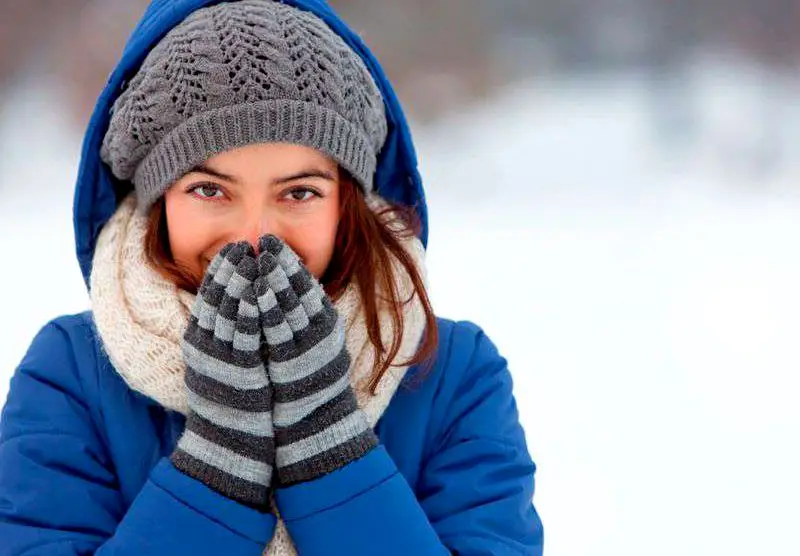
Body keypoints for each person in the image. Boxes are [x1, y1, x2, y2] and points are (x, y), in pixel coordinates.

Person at [0, 1, 543, 554]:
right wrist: (213, 477)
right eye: (210, 190)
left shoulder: (452, 375)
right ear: (159, 201)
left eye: (300, 192)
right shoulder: (71, 374)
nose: (255, 237)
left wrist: (331, 454)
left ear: (346, 204)